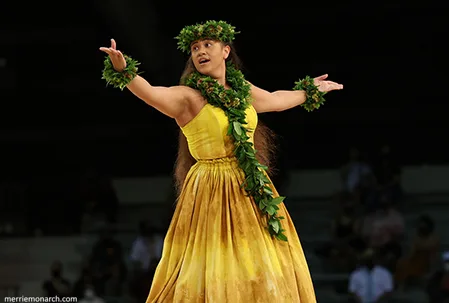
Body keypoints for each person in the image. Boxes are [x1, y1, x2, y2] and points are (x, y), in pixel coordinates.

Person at [99, 20, 343, 302]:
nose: (200, 51)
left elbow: (275, 99)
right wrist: (124, 70)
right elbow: (152, 93)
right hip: (211, 190)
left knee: (259, 262)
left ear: (226, 51)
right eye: (194, 48)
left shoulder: (242, 92)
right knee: (213, 263)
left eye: (207, 45)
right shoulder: (188, 98)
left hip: (251, 188)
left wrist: (310, 91)